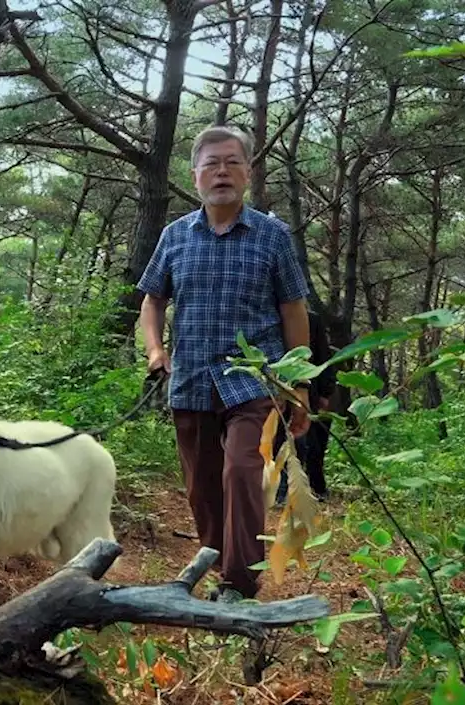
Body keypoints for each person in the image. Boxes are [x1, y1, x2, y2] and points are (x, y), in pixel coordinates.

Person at [136, 125, 312, 604]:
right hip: (190, 377)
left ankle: (238, 583)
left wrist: (298, 385)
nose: (222, 172)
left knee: (241, 470)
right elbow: (152, 302)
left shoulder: (272, 236)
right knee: (201, 488)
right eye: (211, 163)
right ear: (195, 176)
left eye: (232, 162)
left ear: (248, 173)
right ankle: (214, 561)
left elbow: (293, 310)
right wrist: (155, 350)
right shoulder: (175, 236)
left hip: (255, 379)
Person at [276, 308, 336, 504]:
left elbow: (321, 355)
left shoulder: (311, 319)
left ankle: (305, 489)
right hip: (271, 391)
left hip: (305, 392)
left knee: (304, 442)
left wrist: (325, 392)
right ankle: (280, 490)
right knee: (276, 440)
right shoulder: (262, 315)